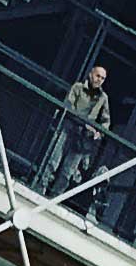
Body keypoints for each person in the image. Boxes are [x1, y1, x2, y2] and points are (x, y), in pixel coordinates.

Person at [42, 65, 110, 197]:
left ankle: (54, 197)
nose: (99, 80)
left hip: (83, 139)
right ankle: (40, 188)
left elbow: (105, 121)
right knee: (52, 161)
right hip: (67, 128)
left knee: (68, 172)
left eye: (102, 78)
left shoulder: (103, 98)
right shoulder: (77, 87)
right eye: (97, 76)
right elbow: (68, 105)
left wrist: (99, 132)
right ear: (91, 74)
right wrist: (86, 124)